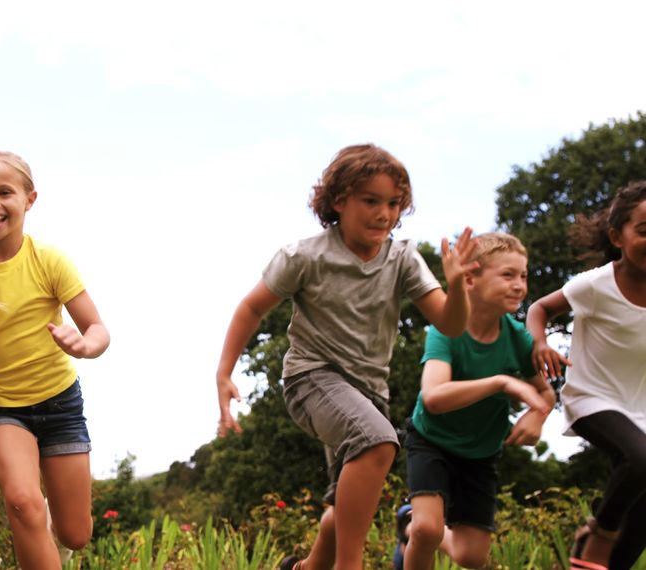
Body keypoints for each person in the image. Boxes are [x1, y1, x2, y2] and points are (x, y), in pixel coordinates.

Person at [215, 143, 476, 570]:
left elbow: (450, 324)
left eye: (394, 204)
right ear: (339, 201)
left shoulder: (403, 259)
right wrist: (224, 373)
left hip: (369, 391)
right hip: (312, 379)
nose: (384, 214)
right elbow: (251, 308)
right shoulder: (305, 257)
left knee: (345, 505)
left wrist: (459, 288)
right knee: (376, 442)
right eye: (371, 201)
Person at [0, 150, 110, 569]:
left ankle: (45, 537)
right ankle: (32, 525)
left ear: (29, 199)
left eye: (4, 192)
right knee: (24, 502)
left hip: (61, 404)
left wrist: (84, 345)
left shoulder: (49, 261)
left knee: (75, 535)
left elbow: (98, 330)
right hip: (3, 409)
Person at [394, 232, 554, 570]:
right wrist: (501, 382)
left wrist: (537, 416)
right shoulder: (446, 329)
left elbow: (545, 392)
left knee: (470, 557)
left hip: (480, 453)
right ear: (470, 279)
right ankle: (416, 528)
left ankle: (406, 528)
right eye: (507, 275)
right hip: (431, 441)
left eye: (523, 276)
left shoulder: (519, 340)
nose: (519, 285)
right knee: (428, 529)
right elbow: (434, 397)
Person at [527, 181, 646, 570]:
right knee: (641, 460)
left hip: (640, 408)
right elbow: (539, 310)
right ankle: (599, 533)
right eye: (643, 231)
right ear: (617, 237)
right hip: (592, 399)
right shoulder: (596, 284)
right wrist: (540, 344)